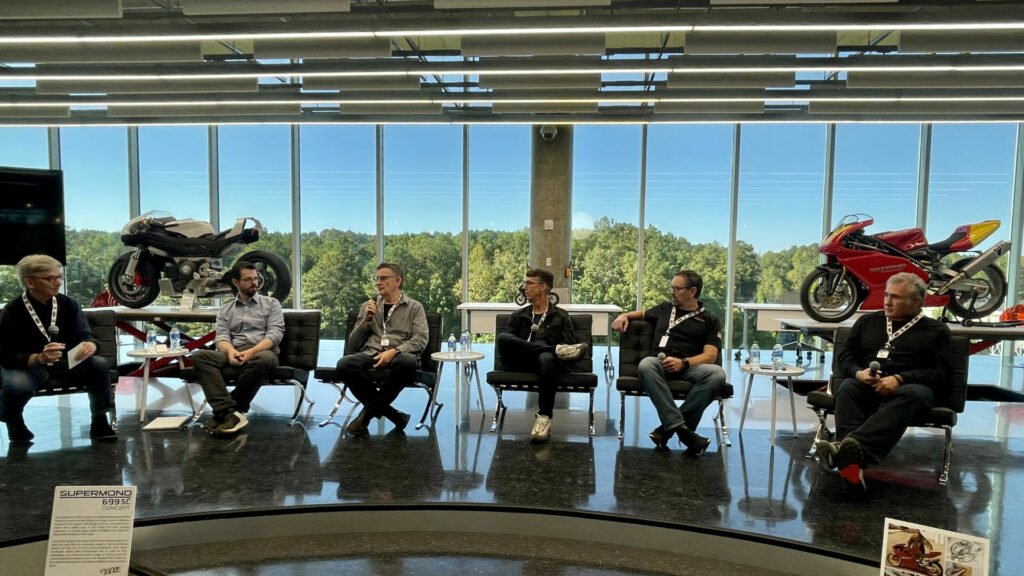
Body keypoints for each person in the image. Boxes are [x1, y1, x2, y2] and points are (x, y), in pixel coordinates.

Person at [815, 272, 951, 487]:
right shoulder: (867, 321)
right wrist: (859, 373)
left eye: (895, 297)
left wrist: (899, 378)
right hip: (868, 384)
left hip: (909, 389)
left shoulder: (936, 331)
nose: (887, 301)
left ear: (915, 301)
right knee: (849, 386)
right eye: (886, 295)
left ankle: (845, 450)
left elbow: (939, 373)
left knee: (914, 393)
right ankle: (851, 463)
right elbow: (845, 357)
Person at [0, 254, 116, 442]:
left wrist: (90, 345)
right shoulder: (12, 311)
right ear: (29, 282)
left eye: (59, 277)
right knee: (17, 384)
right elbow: (6, 356)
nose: (58, 282)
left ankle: (100, 420)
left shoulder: (69, 304)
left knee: (98, 364)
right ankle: (14, 422)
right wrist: (38, 357)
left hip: (65, 361)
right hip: (30, 365)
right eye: (50, 278)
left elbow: (85, 336)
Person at [611, 269, 725, 455]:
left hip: (689, 367)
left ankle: (667, 430)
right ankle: (683, 431)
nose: (671, 291)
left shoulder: (709, 319)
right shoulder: (664, 309)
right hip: (659, 365)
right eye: (671, 287)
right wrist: (623, 316)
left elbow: (710, 356)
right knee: (647, 364)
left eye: (676, 288)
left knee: (717, 374)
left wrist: (684, 362)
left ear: (692, 291)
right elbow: (639, 314)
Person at [191, 260, 285, 436]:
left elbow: (274, 336)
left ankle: (225, 412)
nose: (254, 283)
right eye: (248, 279)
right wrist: (230, 351)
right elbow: (222, 338)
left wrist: (250, 352)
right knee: (199, 356)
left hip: (262, 350)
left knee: (263, 359)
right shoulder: (226, 309)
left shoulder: (271, 304)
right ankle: (229, 413)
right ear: (236, 282)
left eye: (255, 278)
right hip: (233, 351)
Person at [495, 268, 588, 443]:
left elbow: (570, 349)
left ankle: (544, 418)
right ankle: (553, 350)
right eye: (525, 283)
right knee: (503, 337)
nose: (524, 287)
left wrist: (554, 351)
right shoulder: (518, 315)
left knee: (547, 358)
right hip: (520, 361)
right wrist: (554, 349)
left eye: (529, 283)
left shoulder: (561, 316)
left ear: (543, 287)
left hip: (546, 365)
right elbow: (506, 344)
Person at [337, 262, 428, 437]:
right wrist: (365, 321)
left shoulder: (414, 307)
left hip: (399, 355)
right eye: (377, 278)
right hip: (371, 353)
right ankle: (394, 415)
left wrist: (394, 351)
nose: (378, 282)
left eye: (383, 278)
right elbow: (353, 345)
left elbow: (420, 339)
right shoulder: (368, 306)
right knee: (344, 364)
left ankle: (365, 417)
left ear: (398, 281)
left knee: (408, 362)